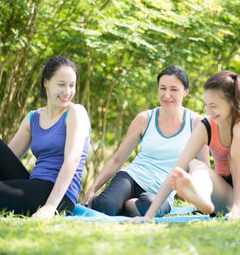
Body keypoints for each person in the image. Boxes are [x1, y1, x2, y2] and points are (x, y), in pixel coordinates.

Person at [131, 70, 240, 221]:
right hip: (228, 194)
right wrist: (149, 215)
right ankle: (204, 200)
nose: (208, 111)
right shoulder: (207, 126)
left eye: (214, 106)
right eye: (206, 105)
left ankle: (238, 208)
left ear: (231, 101)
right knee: (194, 164)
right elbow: (178, 167)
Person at [0, 56, 91, 219]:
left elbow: (72, 160)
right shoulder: (33, 117)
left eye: (72, 85)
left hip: (58, 196)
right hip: (32, 185)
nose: (67, 91)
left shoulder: (76, 113)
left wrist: (50, 206)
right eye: (61, 84)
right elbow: (4, 158)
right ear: (46, 82)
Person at [81, 65, 209, 217]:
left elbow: (204, 168)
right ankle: (112, 202)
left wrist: (204, 200)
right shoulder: (145, 119)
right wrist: (92, 189)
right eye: (162, 88)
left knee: (149, 206)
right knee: (105, 208)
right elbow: (117, 159)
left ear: (186, 92)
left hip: (162, 191)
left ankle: (128, 204)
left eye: (174, 89)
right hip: (133, 177)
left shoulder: (197, 123)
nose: (167, 95)